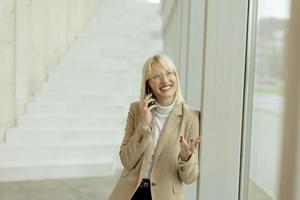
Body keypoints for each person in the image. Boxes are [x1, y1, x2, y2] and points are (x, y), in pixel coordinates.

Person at [109, 54, 202, 200]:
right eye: (157, 76)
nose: (165, 80)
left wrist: (186, 158)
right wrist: (144, 125)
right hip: (131, 193)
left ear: (176, 77)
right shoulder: (137, 110)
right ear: (148, 84)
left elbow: (189, 178)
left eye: (169, 73)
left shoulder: (192, 118)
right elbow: (126, 161)